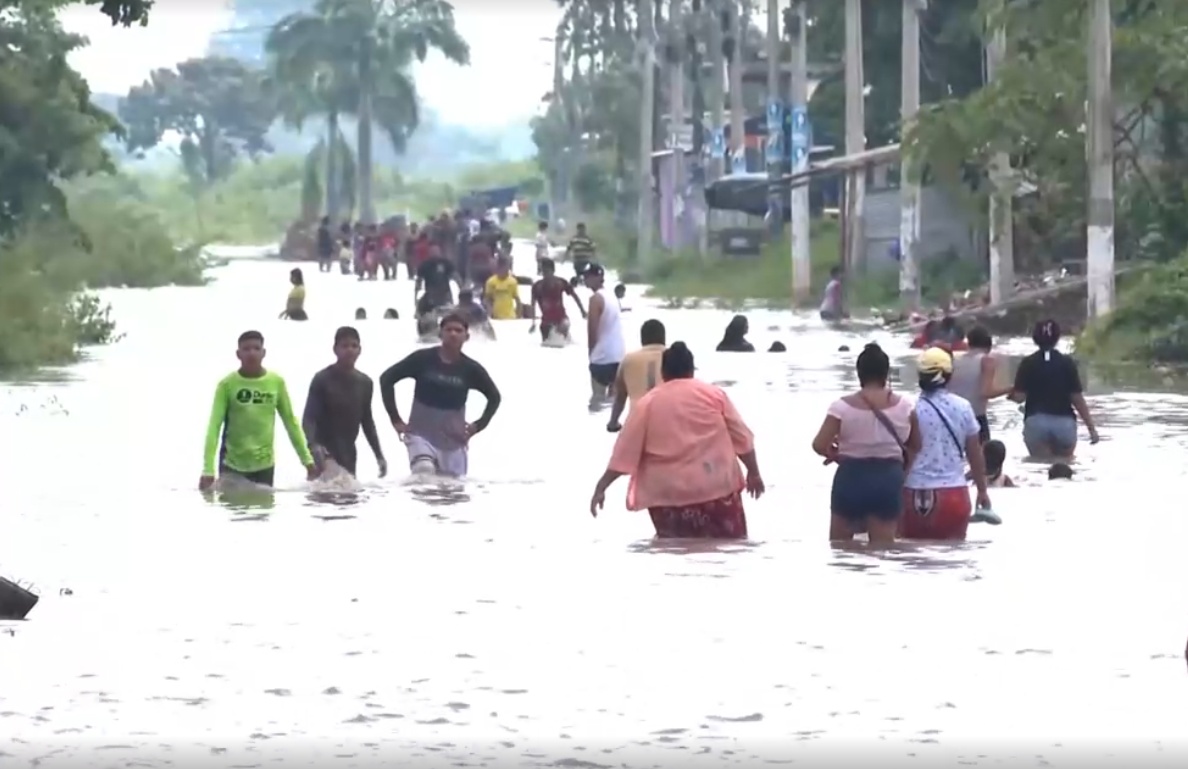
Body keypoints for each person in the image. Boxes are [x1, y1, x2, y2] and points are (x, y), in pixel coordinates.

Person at [589, 342, 765, 539]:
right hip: (716, 489)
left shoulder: (647, 403)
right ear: (691, 370)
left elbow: (625, 453)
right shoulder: (714, 396)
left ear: (663, 372)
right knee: (728, 549)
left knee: (674, 552)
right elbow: (742, 438)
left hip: (667, 498)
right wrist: (754, 472)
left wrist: (602, 486)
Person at [811, 342, 920, 545]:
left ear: (858, 373)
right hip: (888, 479)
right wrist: (903, 472)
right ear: (886, 373)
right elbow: (916, 445)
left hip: (851, 477)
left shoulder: (841, 407)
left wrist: (837, 454)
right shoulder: (906, 406)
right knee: (882, 549)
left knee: (840, 548)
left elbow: (818, 444)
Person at [378, 313, 502, 477]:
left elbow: (494, 397)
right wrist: (395, 419)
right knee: (424, 473)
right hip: (420, 435)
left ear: (467, 337)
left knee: (451, 492)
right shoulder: (422, 359)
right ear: (440, 334)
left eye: (458, 331)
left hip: (453, 441)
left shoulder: (471, 369)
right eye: (448, 330)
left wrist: (477, 426)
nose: (453, 334)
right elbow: (386, 379)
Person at [199, 331, 316, 490]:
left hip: (264, 466)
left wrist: (307, 461)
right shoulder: (227, 385)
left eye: (256, 348)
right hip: (232, 465)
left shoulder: (276, 382)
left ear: (263, 353)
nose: (251, 353)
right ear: (238, 354)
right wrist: (208, 469)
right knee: (236, 513)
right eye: (246, 349)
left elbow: (290, 422)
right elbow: (214, 426)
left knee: (262, 512)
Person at [900, 347, 991, 541]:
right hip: (953, 496)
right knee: (952, 562)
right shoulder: (963, 407)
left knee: (911, 562)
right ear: (949, 375)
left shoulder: (908, 409)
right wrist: (982, 491)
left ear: (920, 376)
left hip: (910, 494)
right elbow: (975, 454)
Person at [302, 326, 387, 478]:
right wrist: (313, 445)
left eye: (354, 346)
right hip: (324, 454)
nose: (349, 350)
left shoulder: (365, 383)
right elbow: (309, 418)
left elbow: (367, 422)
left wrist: (379, 455)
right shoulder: (322, 379)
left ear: (360, 350)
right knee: (324, 497)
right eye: (345, 346)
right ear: (335, 349)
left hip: (348, 453)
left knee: (349, 497)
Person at [1012, 320, 1100, 459]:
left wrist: (1011, 393)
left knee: (1039, 467)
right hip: (1064, 424)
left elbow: (1019, 397)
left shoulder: (1027, 363)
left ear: (1035, 338)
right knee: (1064, 467)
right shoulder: (1067, 363)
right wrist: (1091, 429)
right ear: (1057, 338)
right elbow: (1077, 399)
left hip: (1036, 422)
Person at [948, 326, 1013, 443]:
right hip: (976, 417)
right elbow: (986, 392)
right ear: (989, 345)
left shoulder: (954, 361)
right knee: (981, 458)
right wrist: (1011, 388)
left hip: (953, 418)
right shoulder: (987, 361)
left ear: (969, 344)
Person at [606, 319, 666, 432]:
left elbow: (620, 398)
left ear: (642, 340)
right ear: (664, 339)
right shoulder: (674, 358)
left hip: (636, 423)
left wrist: (613, 423)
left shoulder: (628, 360)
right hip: (666, 423)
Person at [584, 263, 626, 408]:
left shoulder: (595, 299)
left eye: (588, 276)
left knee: (596, 403)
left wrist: (591, 355)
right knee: (613, 403)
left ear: (598, 277)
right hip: (618, 358)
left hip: (601, 359)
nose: (585, 279)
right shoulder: (612, 297)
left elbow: (592, 331)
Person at [529, 257, 585, 343]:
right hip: (546, 322)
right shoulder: (537, 286)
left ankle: (566, 338)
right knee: (547, 342)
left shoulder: (561, 283)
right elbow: (533, 305)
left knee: (564, 326)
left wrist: (583, 311)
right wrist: (533, 322)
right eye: (544, 272)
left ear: (553, 271)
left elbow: (575, 296)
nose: (546, 275)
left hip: (561, 319)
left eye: (547, 272)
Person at [415, 245, 458, 319]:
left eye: (436, 251)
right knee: (427, 310)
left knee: (450, 312)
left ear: (440, 252)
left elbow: (455, 275)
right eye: (432, 251)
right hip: (430, 292)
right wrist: (416, 293)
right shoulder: (425, 264)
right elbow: (419, 280)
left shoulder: (446, 263)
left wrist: (461, 286)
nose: (435, 253)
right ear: (429, 253)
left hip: (445, 291)